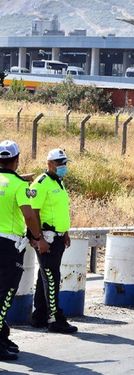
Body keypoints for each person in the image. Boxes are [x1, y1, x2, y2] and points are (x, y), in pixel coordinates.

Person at [0, 140, 49, 361]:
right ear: (17, 160)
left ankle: (2, 338)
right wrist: (37, 237)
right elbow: (29, 215)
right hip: (8, 245)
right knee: (5, 294)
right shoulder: (20, 186)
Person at [29, 148, 77, 334]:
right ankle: (55, 319)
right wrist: (38, 238)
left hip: (57, 236)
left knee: (45, 276)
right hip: (45, 238)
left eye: (65, 163)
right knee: (51, 277)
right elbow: (33, 212)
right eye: (59, 163)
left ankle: (39, 315)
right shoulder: (41, 183)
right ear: (49, 164)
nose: (63, 166)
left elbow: (59, 211)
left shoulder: (58, 182)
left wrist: (64, 232)